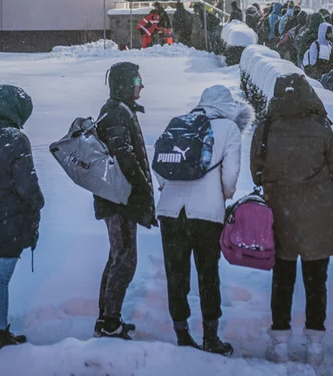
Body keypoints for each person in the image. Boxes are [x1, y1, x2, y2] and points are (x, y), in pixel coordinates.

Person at [251, 73, 333, 367]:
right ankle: (315, 344)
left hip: (281, 214)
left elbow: (256, 171)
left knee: (283, 279)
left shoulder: (265, 129)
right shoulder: (321, 126)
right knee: (317, 281)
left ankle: (279, 342)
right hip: (318, 214)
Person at [157, 85, 251, 355]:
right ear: (227, 105)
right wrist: (224, 194)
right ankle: (211, 337)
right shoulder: (228, 128)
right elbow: (231, 173)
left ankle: (182, 333)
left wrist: (169, 188)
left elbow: (162, 166)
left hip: (170, 212)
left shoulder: (179, 123)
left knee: (176, 274)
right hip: (207, 215)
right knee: (208, 274)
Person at [0, 84, 44, 352]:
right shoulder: (15, 139)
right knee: (0, 279)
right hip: (9, 219)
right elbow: (27, 186)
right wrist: (39, 203)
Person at [94, 62, 156, 339]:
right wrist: (142, 186)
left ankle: (107, 319)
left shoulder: (119, 110)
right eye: (136, 79)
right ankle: (109, 323)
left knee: (118, 257)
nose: (141, 84)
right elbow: (124, 156)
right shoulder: (116, 113)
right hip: (120, 200)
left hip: (118, 198)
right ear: (122, 83)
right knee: (125, 259)